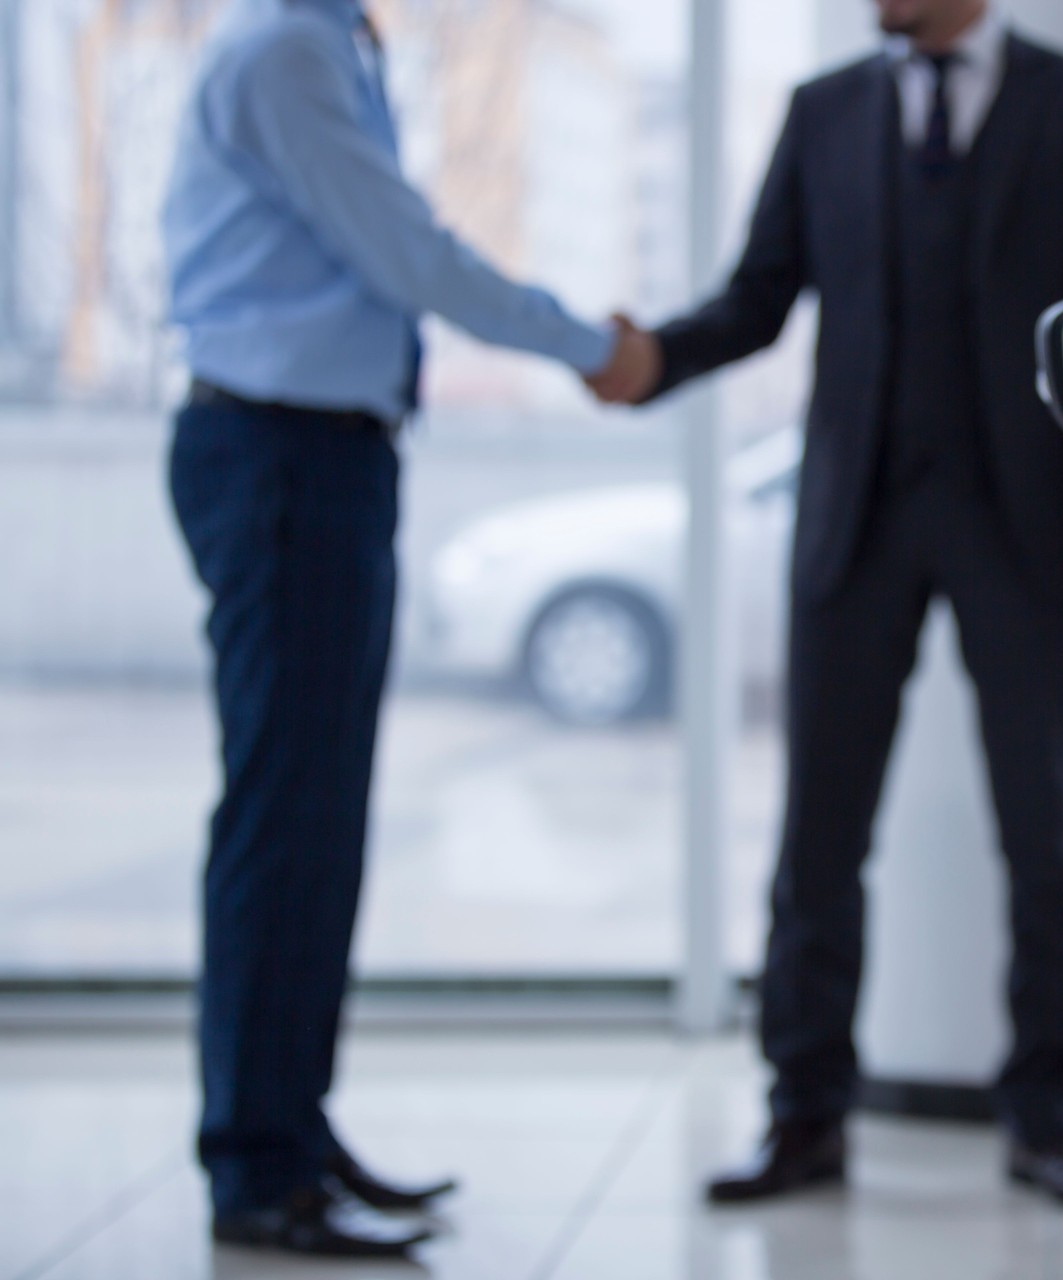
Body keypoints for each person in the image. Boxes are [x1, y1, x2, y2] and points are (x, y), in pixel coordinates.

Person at [624, 0, 1063, 1210]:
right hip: (856, 521)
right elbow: (758, 297)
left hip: (1027, 529)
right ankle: (804, 1113)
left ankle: (1049, 1113)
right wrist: (653, 357)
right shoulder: (826, 114)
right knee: (819, 836)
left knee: (1045, 833)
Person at [162, 0, 655, 1258]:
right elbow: (406, 252)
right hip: (281, 453)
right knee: (286, 814)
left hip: (319, 453)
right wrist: (585, 343)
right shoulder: (284, 49)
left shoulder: (329, 46)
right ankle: (258, 1162)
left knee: (316, 816)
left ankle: (289, 1126)